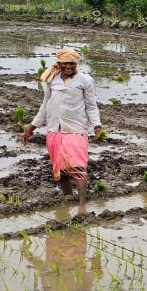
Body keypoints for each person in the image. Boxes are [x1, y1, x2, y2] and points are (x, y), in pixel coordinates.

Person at [22, 47, 102, 206]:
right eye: (65, 64)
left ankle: (81, 205)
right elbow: (45, 106)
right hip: (54, 131)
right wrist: (31, 128)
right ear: (59, 64)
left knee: (79, 168)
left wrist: (97, 126)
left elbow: (91, 106)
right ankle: (68, 199)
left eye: (71, 64)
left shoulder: (85, 80)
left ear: (76, 64)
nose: (68, 67)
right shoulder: (52, 80)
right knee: (61, 170)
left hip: (76, 130)